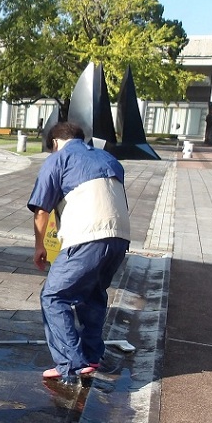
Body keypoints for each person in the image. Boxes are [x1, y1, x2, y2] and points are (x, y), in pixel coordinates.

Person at [27, 121, 130, 383]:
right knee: (92, 294)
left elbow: (41, 211)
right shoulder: (108, 157)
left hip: (87, 236)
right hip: (120, 237)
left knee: (54, 296)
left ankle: (70, 363)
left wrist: (40, 245)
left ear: (56, 143)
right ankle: (92, 356)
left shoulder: (58, 158)